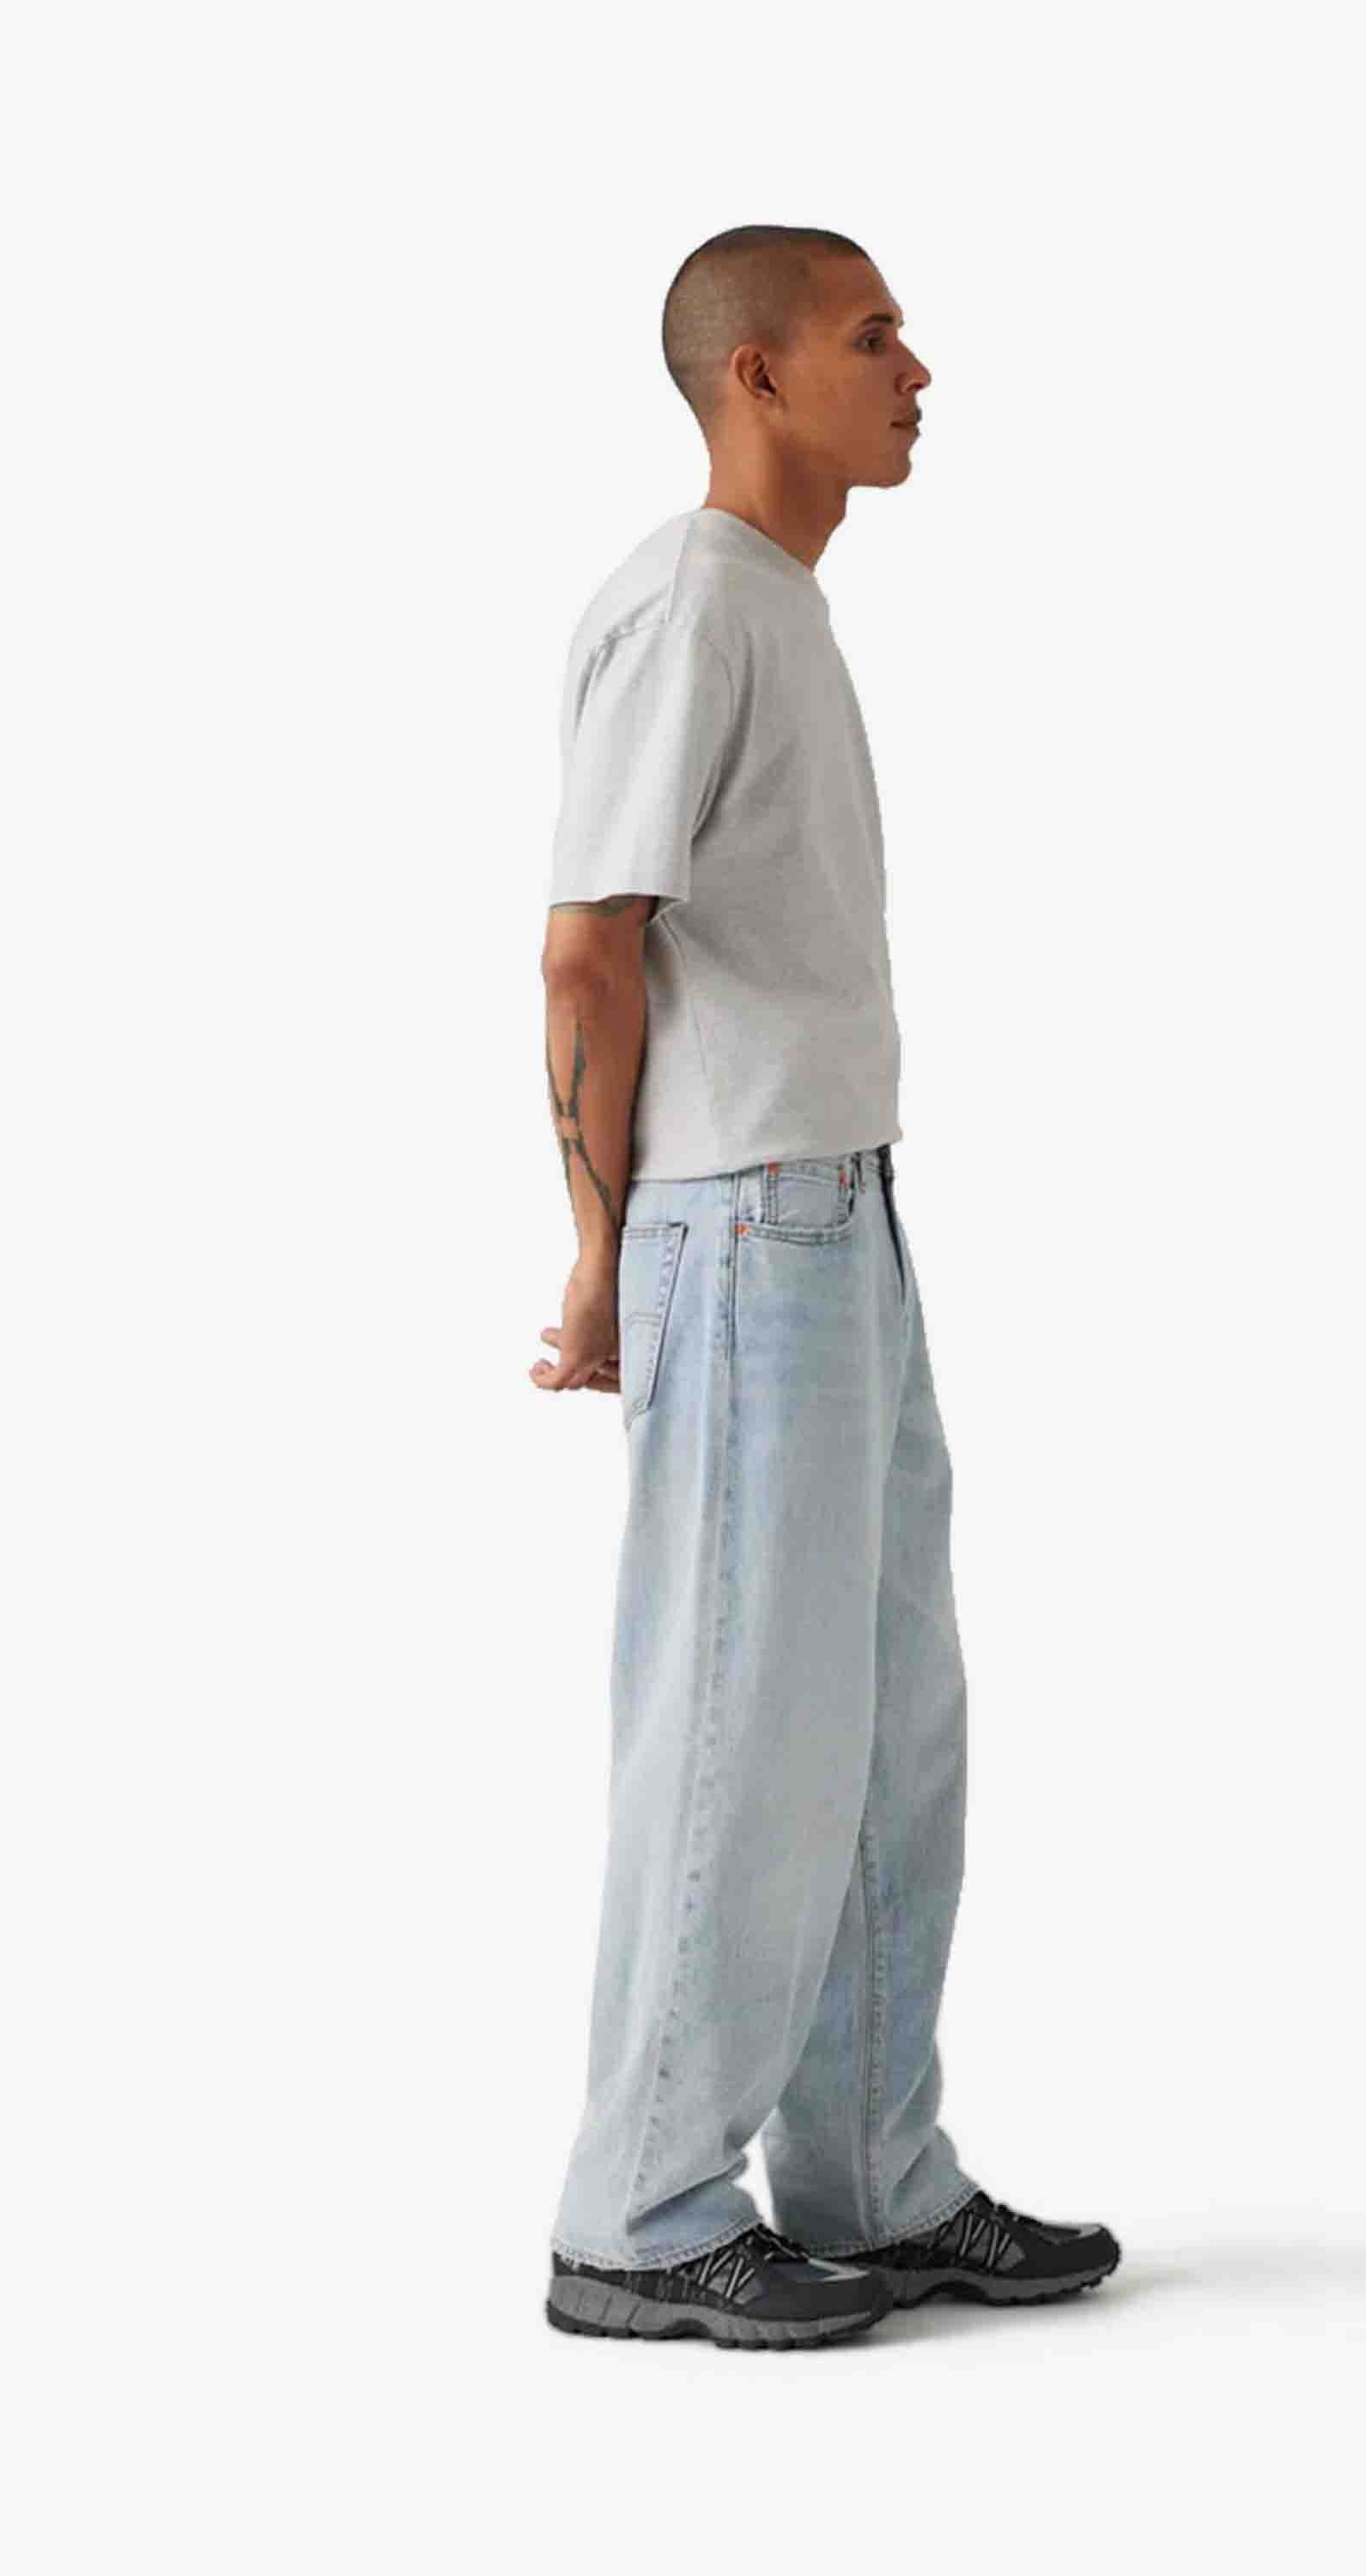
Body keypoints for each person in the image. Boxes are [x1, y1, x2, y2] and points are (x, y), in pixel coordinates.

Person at [532, 224, 1120, 2350]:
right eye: (873, 335)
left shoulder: (776, 604)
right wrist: (600, 1249)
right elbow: (587, 947)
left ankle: (873, 2173)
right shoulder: (694, 602)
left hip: (839, 1206)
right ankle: (640, 2212)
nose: (916, 368)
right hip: (738, 1217)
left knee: (883, 1710)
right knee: (742, 1718)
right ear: (756, 376)